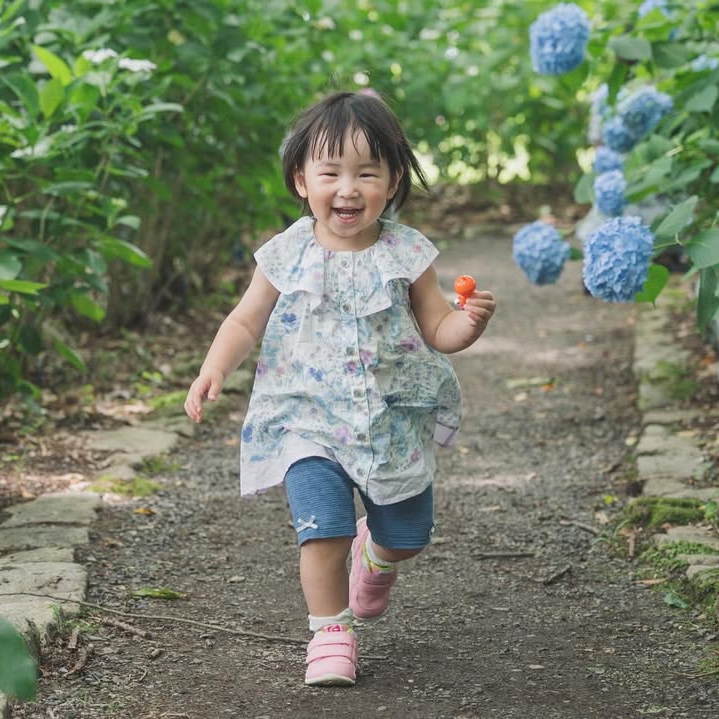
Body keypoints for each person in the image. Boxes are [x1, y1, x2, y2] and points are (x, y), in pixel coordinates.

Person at [183, 90, 496, 687]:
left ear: (393, 180)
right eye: (330, 172)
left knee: (407, 537)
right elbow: (246, 318)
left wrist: (468, 323)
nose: (347, 188)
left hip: (390, 418)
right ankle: (330, 630)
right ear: (302, 180)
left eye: (366, 173)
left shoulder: (407, 253)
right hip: (307, 418)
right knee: (320, 526)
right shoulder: (287, 252)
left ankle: (374, 556)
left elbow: (437, 327)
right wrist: (214, 366)